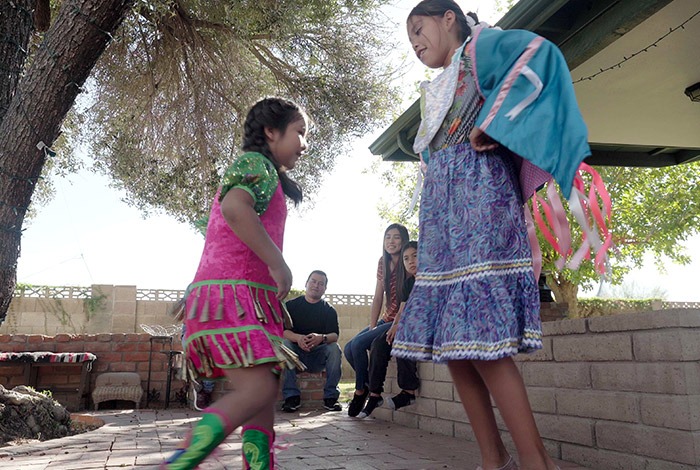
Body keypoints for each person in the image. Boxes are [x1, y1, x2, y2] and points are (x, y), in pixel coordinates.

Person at [392, 2, 595, 469]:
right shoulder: (433, 88)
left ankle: (535, 460)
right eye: (409, 40)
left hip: (484, 207)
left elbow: (539, 56)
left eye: (419, 29)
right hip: (443, 218)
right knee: (453, 347)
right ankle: (492, 457)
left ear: (448, 18)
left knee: (479, 337)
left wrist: (497, 125)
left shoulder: (483, 48)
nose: (416, 43)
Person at [161, 97, 309, 470]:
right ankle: (179, 463)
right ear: (271, 132)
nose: (304, 144)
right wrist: (280, 265)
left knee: (262, 402)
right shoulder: (254, 163)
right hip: (231, 298)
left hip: (250, 302)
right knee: (259, 389)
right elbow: (234, 207)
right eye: (300, 133)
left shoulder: (269, 175)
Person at [343, 223, 409, 417]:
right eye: (388, 237)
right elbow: (378, 296)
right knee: (349, 348)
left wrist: (395, 323)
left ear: (404, 239)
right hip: (386, 318)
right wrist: (373, 326)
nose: (391, 241)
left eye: (396, 237)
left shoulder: (409, 261)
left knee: (357, 344)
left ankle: (362, 392)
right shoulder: (383, 262)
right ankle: (365, 383)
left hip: (401, 319)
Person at [358, 241, 419, 418]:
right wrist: (394, 326)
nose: (410, 261)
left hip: (429, 326)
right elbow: (402, 310)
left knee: (402, 338)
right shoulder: (408, 284)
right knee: (380, 342)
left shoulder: (432, 280)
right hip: (408, 324)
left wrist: (401, 327)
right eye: (406, 259)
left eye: (415, 256)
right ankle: (375, 394)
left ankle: (408, 392)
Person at [282, 270, 342, 412]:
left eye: (321, 284)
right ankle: (291, 397)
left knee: (334, 348)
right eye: (313, 281)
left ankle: (331, 398)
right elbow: (283, 331)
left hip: (317, 356)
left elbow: (335, 335)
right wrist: (299, 338)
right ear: (306, 283)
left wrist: (321, 337)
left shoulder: (329, 310)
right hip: (295, 357)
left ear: (325, 288)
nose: (316, 286)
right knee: (285, 344)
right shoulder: (291, 306)